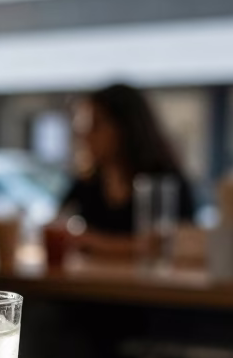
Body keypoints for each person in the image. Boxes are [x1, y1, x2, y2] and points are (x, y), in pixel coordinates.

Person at [59, 83, 195, 257]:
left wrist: (93, 242)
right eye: (85, 125)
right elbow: (58, 227)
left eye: (96, 124)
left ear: (125, 127)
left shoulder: (165, 182)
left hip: (150, 283)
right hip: (92, 282)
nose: (86, 134)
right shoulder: (87, 183)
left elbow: (178, 244)